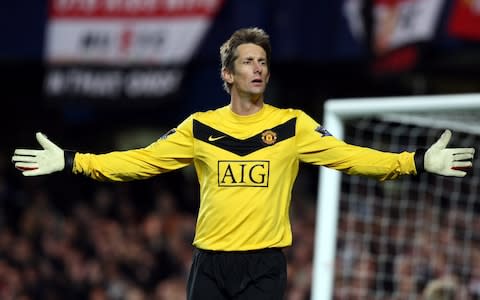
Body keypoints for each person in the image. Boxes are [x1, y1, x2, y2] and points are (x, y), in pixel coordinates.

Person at [11, 27, 475, 300]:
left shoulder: (294, 126)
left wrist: (414, 160)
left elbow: (353, 159)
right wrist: (72, 161)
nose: (258, 68)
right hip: (209, 264)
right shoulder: (199, 127)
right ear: (227, 74)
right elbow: (140, 162)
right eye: (248, 61)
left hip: (264, 266)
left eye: (263, 62)